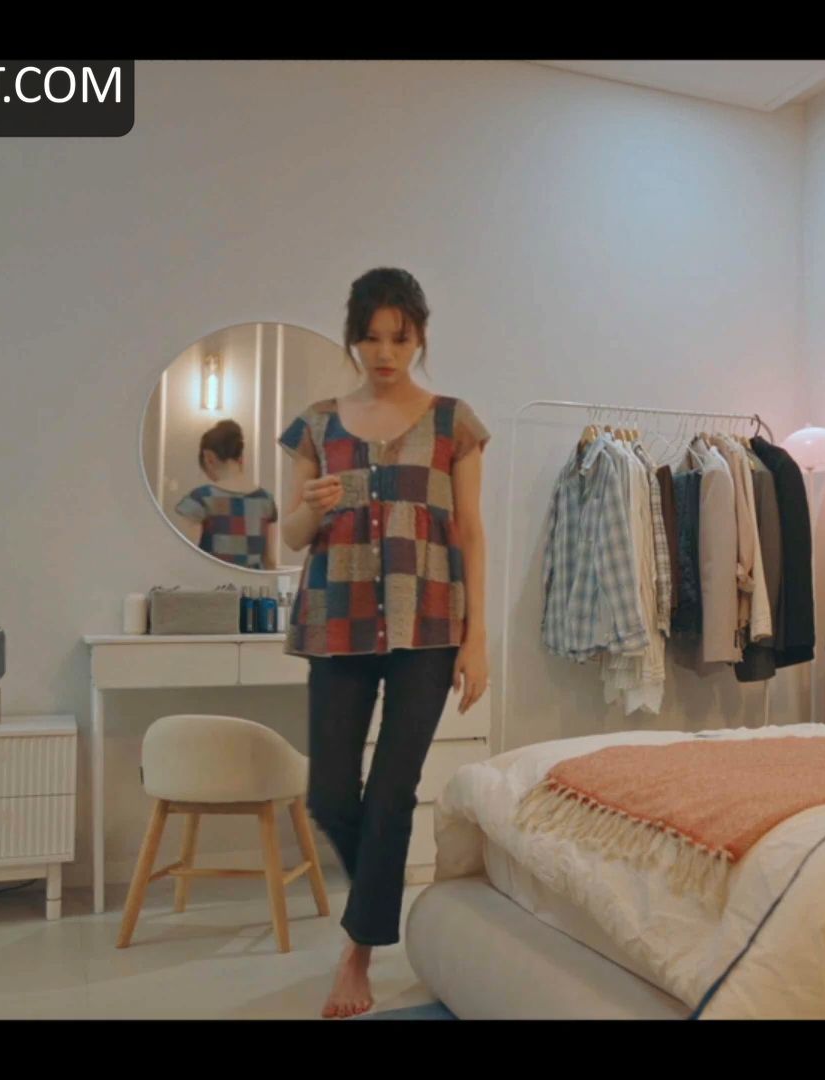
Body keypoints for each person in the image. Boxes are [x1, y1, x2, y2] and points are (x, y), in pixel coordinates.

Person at [277, 268, 491, 1018]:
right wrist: (311, 506)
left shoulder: (454, 424)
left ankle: (359, 951)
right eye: (371, 337)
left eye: (399, 337)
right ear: (353, 339)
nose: (385, 352)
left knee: (393, 791)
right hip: (336, 622)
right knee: (331, 794)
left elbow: (470, 533)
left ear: (419, 336)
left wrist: (477, 638)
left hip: (428, 626)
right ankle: (379, 884)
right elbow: (292, 535)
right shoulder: (315, 425)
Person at [174, 419, 279, 570]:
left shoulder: (199, 500)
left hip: (214, 583)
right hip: (253, 584)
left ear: (208, 458)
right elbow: (270, 560)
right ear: (240, 457)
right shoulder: (266, 500)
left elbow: (188, 559)